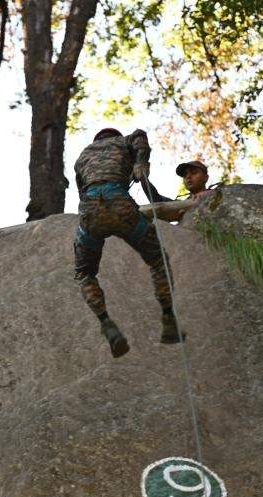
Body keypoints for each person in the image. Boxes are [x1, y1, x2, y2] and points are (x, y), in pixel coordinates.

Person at [72, 127, 185, 358]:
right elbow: (140, 135)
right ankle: (168, 320)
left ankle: (107, 324)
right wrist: (140, 163)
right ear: (114, 136)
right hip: (120, 204)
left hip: (90, 211)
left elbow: (81, 192)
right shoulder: (123, 142)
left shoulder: (82, 156)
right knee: (157, 259)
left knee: (84, 273)